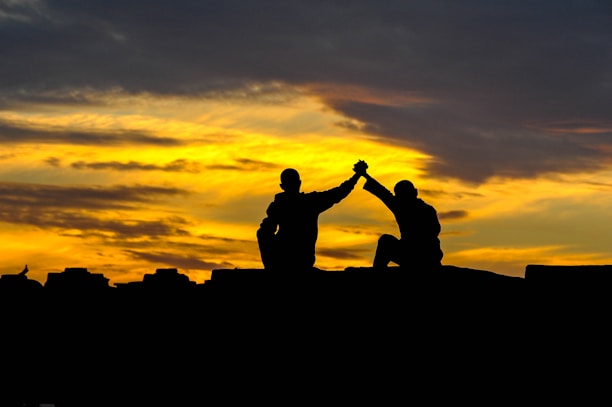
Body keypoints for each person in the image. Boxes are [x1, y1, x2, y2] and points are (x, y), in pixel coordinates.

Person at [257, 162, 366, 271]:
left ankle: (274, 267)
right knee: (262, 232)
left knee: (262, 232)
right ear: (299, 183)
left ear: (282, 186)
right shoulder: (307, 202)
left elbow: (337, 193)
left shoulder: (284, 205)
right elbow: (338, 193)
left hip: (295, 259)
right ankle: (274, 267)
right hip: (296, 259)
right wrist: (357, 175)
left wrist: (356, 176)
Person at [353, 162, 443, 269]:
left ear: (414, 193)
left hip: (423, 256)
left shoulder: (421, 209)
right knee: (386, 240)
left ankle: (377, 274)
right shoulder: (403, 206)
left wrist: (364, 174)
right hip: (415, 254)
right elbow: (384, 193)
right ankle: (378, 272)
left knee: (385, 241)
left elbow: (433, 232)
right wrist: (364, 175)